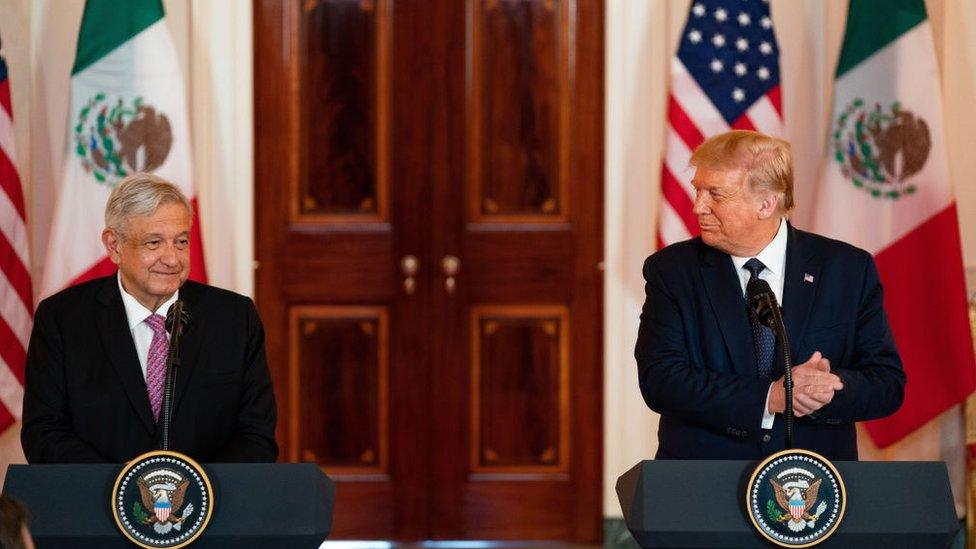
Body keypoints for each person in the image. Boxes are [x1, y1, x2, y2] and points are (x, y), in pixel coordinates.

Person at [635, 130, 905, 460]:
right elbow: (660, 379)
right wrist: (770, 397)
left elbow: (886, 383)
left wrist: (827, 389)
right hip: (704, 479)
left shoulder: (847, 270)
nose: (697, 207)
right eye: (698, 191)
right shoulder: (673, 270)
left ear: (766, 204)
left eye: (715, 195)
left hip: (813, 486)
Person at [22, 173, 278, 463]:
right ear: (114, 245)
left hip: (210, 502)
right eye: (154, 243)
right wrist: (124, 490)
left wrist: (198, 492)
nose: (172, 259)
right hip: (97, 501)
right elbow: (44, 432)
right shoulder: (63, 320)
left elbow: (255, 434)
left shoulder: (234, 318)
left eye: (181, 242)